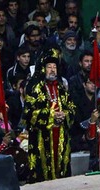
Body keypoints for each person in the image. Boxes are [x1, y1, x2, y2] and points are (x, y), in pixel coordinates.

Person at [23, 49, 76, 182]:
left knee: (61, 167)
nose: (52, 70)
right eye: (49, 67)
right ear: (43, 69)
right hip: (42, 135)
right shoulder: (35, 88)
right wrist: (52, 115)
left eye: (54, 67)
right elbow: (29, 113)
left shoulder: (61, 88)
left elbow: (72, 108)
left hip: (61, 133)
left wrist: (64, 114)